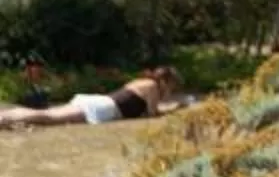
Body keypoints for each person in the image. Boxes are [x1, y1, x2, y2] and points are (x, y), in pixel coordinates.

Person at [0, 66, 185, 131]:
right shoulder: (152, 86)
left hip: (100, 104)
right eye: (172, 86)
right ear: (165, 81)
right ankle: (4, 118)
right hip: (102, 108)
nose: (171, 90)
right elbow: (152, 115)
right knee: (47, 117)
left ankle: (6, 117)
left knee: (46, 116)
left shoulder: (143, 82)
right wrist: (173, 109)